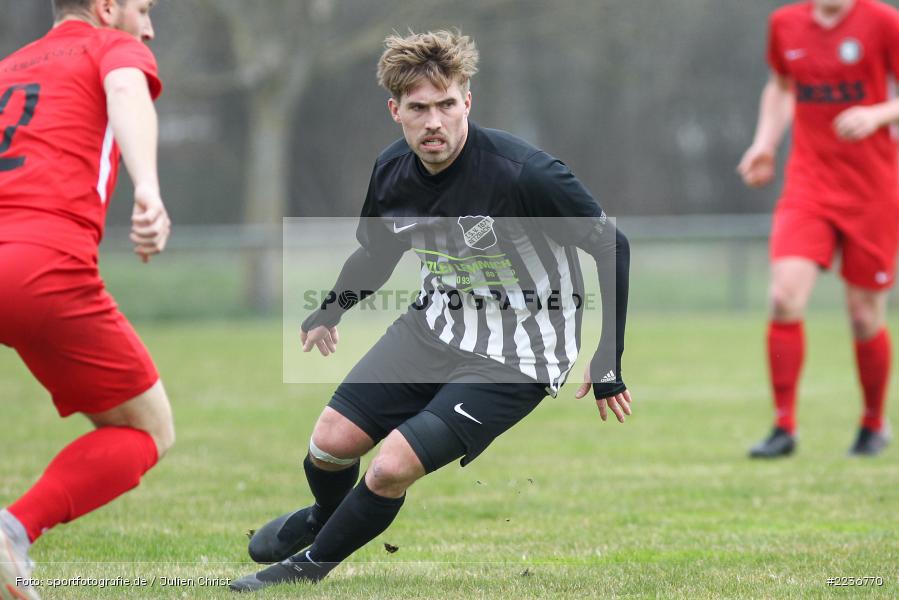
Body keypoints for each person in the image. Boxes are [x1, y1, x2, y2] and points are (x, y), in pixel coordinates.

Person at [230, 30, 632, 593]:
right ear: (395, 111)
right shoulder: (391, 172)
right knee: (329, 444)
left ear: (468, 100)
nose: (435, 121)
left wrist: (607, 354)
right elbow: (380, 252)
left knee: (390, 467)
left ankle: (306, 569)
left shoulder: (524, 173)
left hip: (519, 355)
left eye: (447, 104)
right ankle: (327, 519)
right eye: (419, 108)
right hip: (434, 327)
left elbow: (610, 243)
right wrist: (330, 310)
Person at [0, 1, 173, 597]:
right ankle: (11, 531)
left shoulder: (7, 69)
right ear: (106, 7)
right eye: (143, 9)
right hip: (41, 266)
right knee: (147, 431)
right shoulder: (111, 48)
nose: (147, 27)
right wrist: (148, 189)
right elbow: (127, 90)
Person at [738, 0, 899, 458]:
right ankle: (784, 427)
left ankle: (872, 422)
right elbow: (781, 86)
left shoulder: (884, 22)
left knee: (865, 315)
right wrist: (765, 144)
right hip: (808, 185)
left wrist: (880, 114)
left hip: (873, 191)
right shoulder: (785, 23)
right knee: (784, 298)